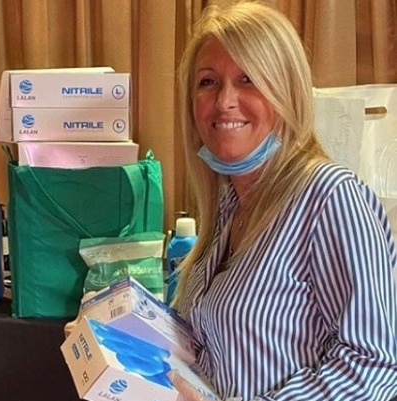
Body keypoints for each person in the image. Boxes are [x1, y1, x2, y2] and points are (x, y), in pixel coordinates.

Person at [169, 1, 397, 400]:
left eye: (248, 79)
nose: (224, 101)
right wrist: (118, 337)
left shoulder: (330, 198)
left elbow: (374, 369)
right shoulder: (229, 206)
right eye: (208, 82)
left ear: (286, 93)